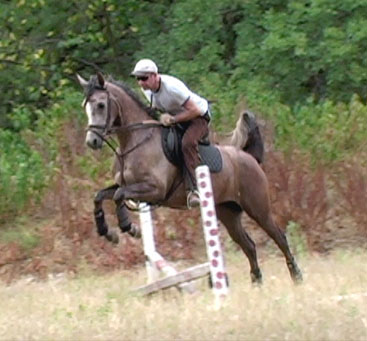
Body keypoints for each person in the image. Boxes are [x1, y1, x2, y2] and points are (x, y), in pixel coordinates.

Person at [131, 58, 211, 208]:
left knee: (187, 143)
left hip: (198, 118)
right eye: (138, 78)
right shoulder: (147, 89)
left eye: (144, 78)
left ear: (155, 75)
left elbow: (196, 110)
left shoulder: (172, 87)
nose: (141, 82)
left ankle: (194, 190)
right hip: (176, 118)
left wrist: (173, 119)